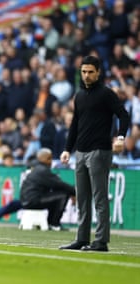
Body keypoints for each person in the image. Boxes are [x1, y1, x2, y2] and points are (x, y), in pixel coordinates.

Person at [59, 55, 130, 252]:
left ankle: (101, 241)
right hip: (80, 152)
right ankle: (82, 238)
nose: (87, 75)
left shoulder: (106, 94)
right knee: (82, 199)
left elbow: (123, 115)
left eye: (90, 72)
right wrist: (67, 149)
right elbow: (75, 125)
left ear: (98, 72)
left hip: (100, 151)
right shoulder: (79, 96)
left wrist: (121, 137)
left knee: (99, 199)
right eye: (84, 72)